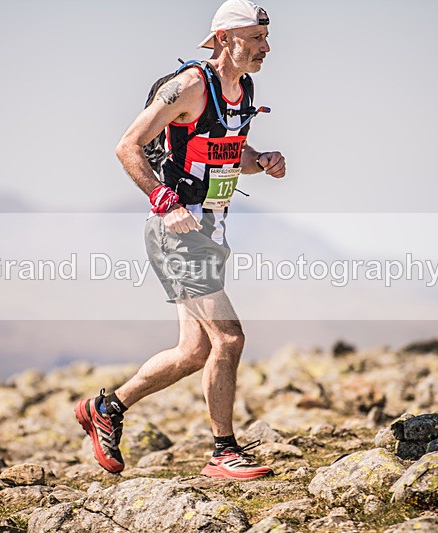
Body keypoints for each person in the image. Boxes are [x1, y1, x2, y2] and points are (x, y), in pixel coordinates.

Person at [75, 0, 286, 480]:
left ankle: (105, 408)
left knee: (193, 351)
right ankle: (223, 452)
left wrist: (264, 159)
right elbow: (127, 145)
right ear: (224, 39)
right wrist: (164, 203)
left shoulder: (243, 88)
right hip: (178, 232)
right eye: (255, 38)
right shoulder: (190, 85)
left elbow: (228, 151)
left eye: (266, 38)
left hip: (210, 230)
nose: (265, 48)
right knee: (228, 338)